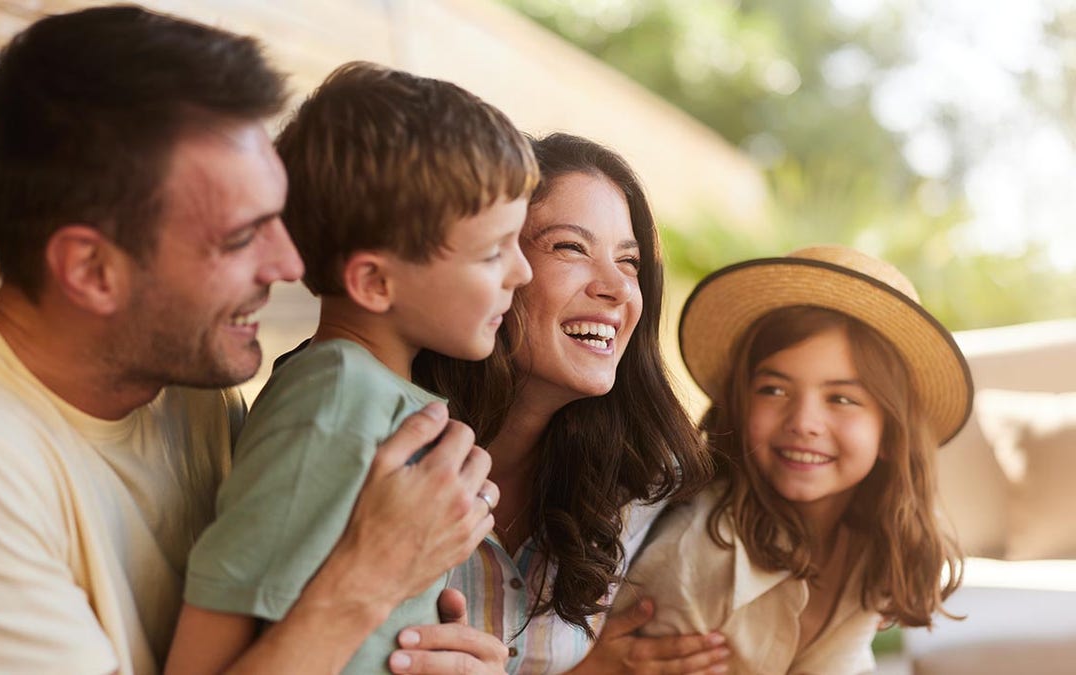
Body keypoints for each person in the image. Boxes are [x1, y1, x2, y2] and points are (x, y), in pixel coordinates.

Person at [0, 7, 504, 674]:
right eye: (241, 236)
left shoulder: (191, 399)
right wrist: (366, 584)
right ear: (93, 270)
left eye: (279, 218)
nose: (290, 265)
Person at [166, 61, 536, 674]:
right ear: (373, 281)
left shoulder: (374, 397)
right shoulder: (334, 400)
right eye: (493, 251)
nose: (520, 272)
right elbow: (204, 653)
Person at [414, 132, 730, 674]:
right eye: (570, 247)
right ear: (490, 262)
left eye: (629, 262)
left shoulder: (640, 476)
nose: (617, 288)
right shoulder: (384, 441)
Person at [616, 245, 970, 674]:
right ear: (740, 405)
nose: (804, 422)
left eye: (841, 398)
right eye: (774, 390)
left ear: (891, 435)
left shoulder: (872, 548)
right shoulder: (698, 551)